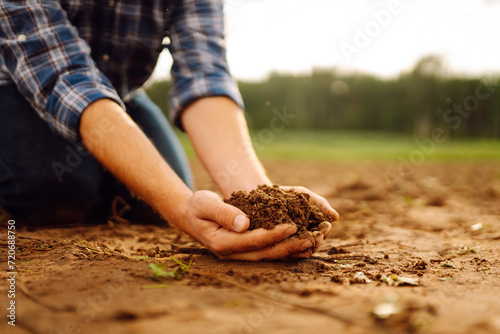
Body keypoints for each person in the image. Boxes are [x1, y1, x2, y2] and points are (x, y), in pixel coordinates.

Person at [0, 0, 338, 261]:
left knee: (152, 204)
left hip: (121, 93)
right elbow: (66, 79)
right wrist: (180, 207)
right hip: (16, 87)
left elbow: (204, 73)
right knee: (62, 190)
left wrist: (258, 197)